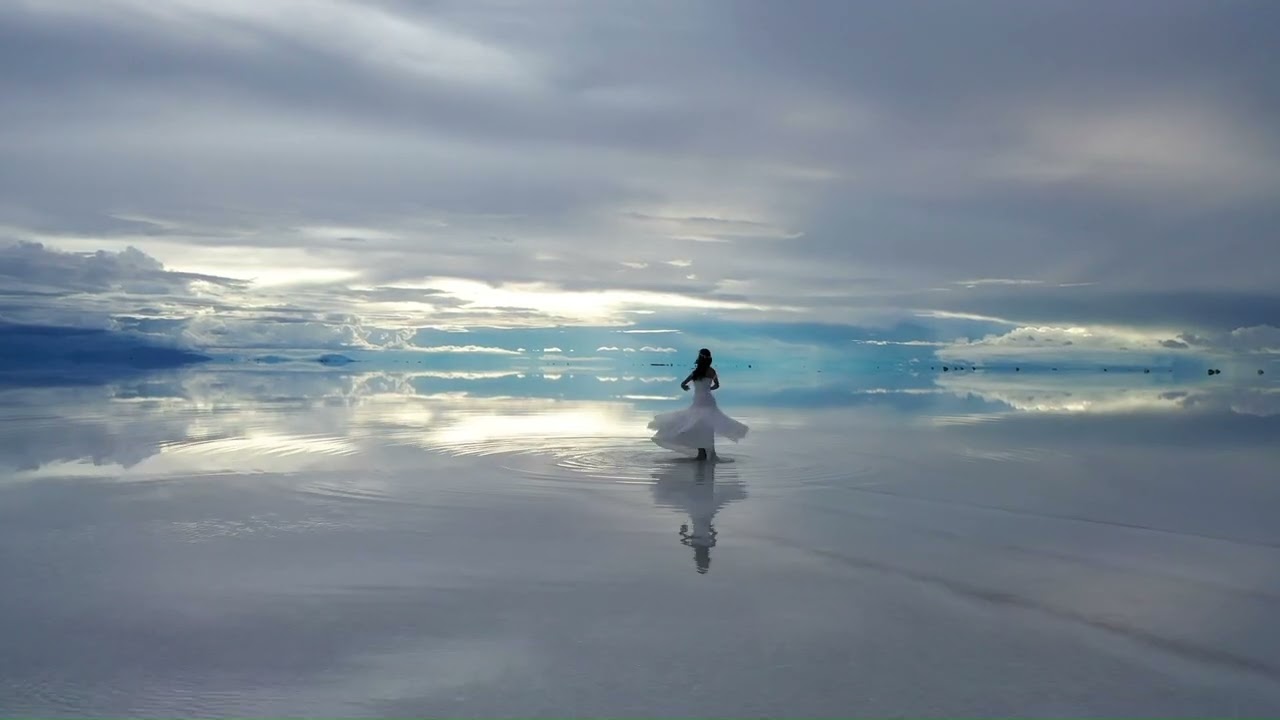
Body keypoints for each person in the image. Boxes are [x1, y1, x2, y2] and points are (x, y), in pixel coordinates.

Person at [647, 348, 749, 460]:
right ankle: (710, 453)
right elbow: (717, 385)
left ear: (700, 358)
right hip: (708, 400)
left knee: (696, 425)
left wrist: (687, 387)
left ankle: (701, 453)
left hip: (698, 400)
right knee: (708, 426)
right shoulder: (711, 371)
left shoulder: (696, 372)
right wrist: (708, 388)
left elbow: (683, 384)